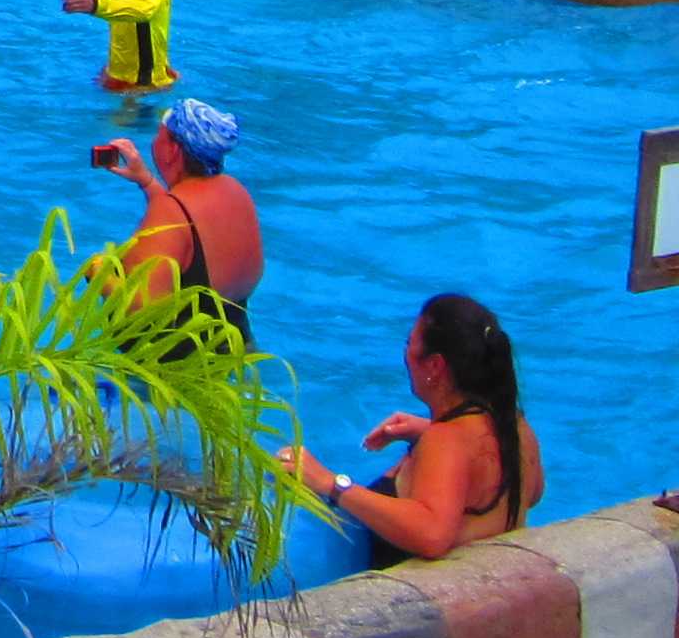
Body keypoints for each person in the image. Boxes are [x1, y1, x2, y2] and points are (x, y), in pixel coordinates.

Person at [285, 292, 543, 561]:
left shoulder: (446, 439)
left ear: (434, 365)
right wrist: (429, 435)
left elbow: (432, 535)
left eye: (409, 343)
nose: (406, 353)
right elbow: (533, 492)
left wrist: (331, 484)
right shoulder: (515, 427)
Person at [93, 95, 260, 346]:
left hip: (176, 366)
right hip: (235, 343)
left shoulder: (171, 210)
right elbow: (190, 230)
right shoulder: (236, 192)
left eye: (159, 133)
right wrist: (147, 181)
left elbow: (140, 309)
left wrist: (97, 270)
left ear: (172, 149)